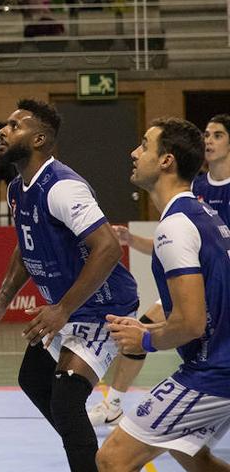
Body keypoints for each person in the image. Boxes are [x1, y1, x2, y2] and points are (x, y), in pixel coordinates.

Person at [0, 99, 138, 472]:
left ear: (39, 139)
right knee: (33, 379)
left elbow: (107, 248)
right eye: (5, 125)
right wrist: (1, 300)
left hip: (103, 307)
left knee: (67, 396)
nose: (3, 130)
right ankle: (93, 454)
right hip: (69, 308)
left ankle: (96, 458)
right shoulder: (17, 189)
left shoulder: (62, 187)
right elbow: (27, 247)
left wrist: (62, 309)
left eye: (14, 125)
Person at [96, 118, 230, 472]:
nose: (134, 152)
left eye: (143, 145)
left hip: (215, 370)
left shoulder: (177, 225)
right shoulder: (201, 214)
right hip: (219, 364)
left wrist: (145, 339)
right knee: (190, 455)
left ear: (166, 160)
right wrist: (147, 331)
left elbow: (190, 323)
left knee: (112, 459)